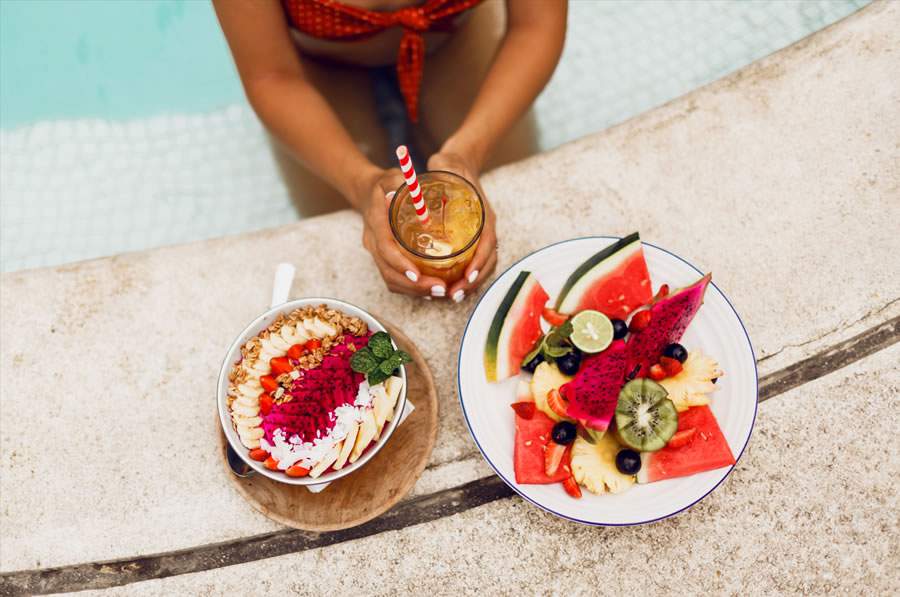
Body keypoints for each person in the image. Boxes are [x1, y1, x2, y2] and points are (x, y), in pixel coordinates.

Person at [213, 0, 566, 301]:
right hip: (320, 65)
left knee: (507, 197)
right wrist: (359, 184)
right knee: (340, 237)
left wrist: (469, 151)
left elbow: (534, 26)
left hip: (453, 39)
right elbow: (272, 77)